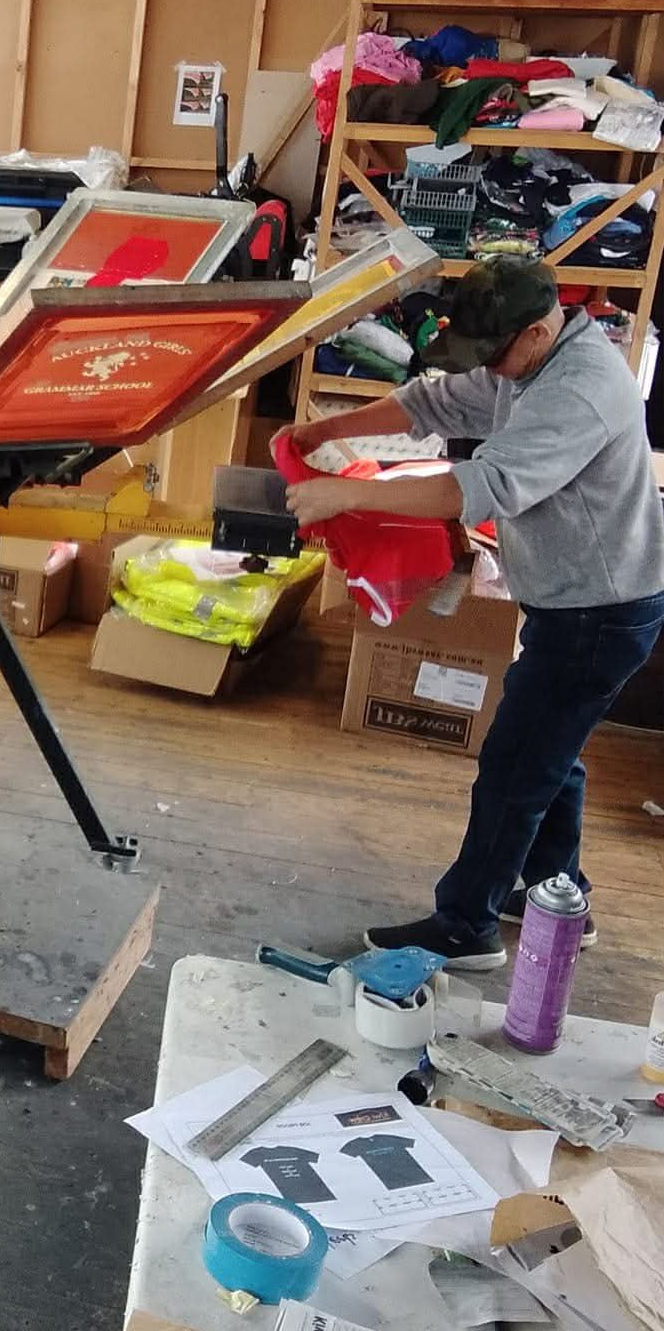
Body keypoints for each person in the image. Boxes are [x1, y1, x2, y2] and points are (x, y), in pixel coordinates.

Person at [281, 257, 664, 969]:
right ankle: (559, 895)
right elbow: (435, 403)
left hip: (597, 614)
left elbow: (476, 487)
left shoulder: (578, 390)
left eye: (494, 354)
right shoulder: (528, 361)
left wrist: (348, 494)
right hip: (575, 604)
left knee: (515, 767)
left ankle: (464, 927)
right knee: (548, 754)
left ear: (538, 330)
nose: (487, 368)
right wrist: (325, 433)